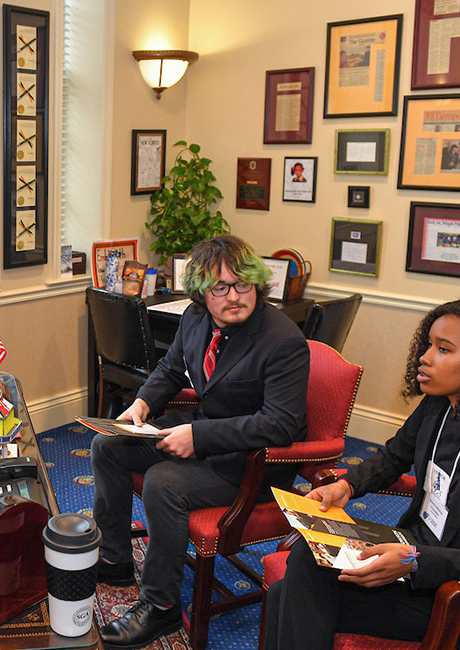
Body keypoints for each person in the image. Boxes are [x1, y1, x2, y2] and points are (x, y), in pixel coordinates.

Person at [264, 299, 460, 650]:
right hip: (410, 551)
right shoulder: (440, 404)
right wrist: (347, 485)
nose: (425, 357)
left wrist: (415, 561)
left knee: (290, 590)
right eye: (429, 344)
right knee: (300, 568)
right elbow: (393, 457)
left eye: (443, 349)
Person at [91, 235, 309, 649]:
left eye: (242, 285)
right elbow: (171, 370)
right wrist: (141, 404)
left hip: (251, 464)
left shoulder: (282, 340)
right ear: (201, 292)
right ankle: (116, 560)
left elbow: (281, 425)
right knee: (108, 445)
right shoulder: (194, 318)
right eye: (219, 288)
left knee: (164, 482)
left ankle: (161, 606)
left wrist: (200, 436)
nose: (233, 297)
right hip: (206, 430)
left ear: (257, 284)